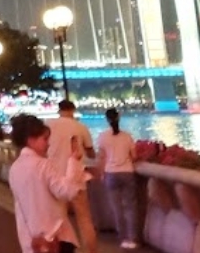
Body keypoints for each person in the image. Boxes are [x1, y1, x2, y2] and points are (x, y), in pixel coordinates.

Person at [8, 114, 86, 253]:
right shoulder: (43, 165)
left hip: (32, 240)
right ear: (31, 140)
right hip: (55, 236)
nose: (48, 143)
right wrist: (73, 161)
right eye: (44, 139)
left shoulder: (15, 168)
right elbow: (66, 191)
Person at [46, 100, 97, 250]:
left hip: (54, 179)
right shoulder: (80, 127)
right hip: (76, 178)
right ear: (73, 110)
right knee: (85, 220)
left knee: (57, 222)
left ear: (59, 110)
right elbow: (91, 153)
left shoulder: (48, 125)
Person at [97, 108, 139, 249]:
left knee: (116, 208)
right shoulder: (127, 136)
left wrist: (101, 174)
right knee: (130, 207)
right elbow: (134, 156)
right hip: (127, 172)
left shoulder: (102, 136)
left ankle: (123, 238)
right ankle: (133, 238)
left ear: (107, 119)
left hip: (111, 173)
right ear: (119, 118)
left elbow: (102, 158)